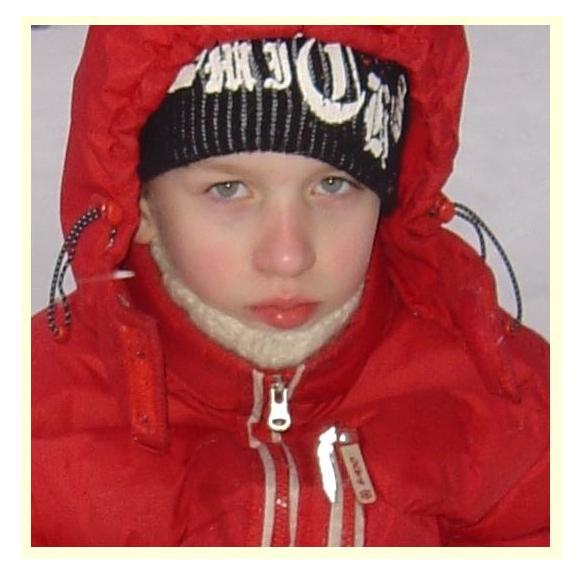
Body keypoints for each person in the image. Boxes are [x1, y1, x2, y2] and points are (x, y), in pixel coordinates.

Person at [31, 25, 549, 547]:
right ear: (140, 206)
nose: (288, 256)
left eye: (333, 185)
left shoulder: (508, 408)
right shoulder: (36, 420)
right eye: (228, 189)